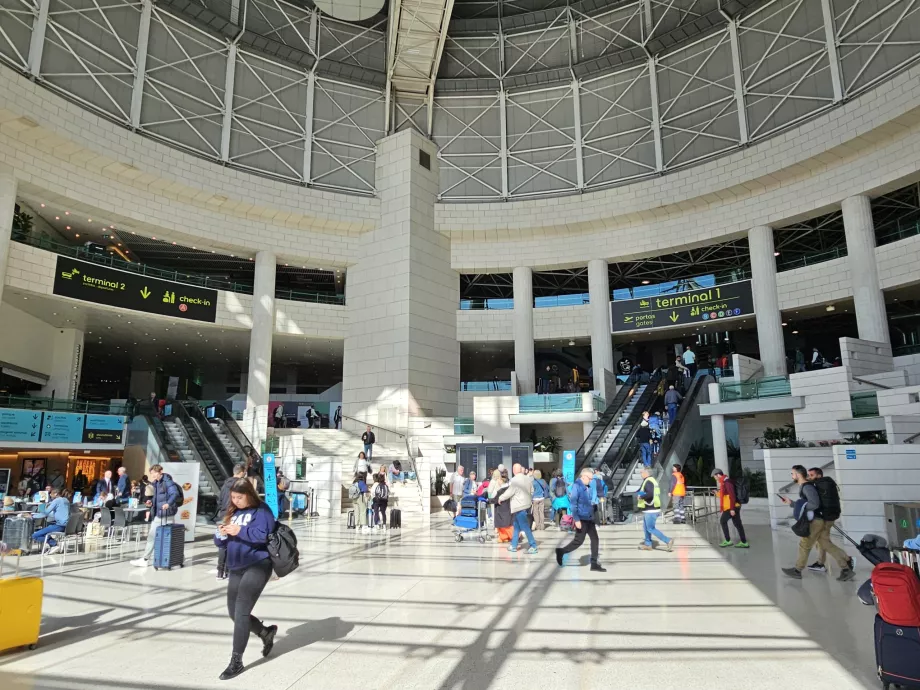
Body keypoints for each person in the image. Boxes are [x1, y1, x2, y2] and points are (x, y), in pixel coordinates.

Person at [214, 479, 278, 680]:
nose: (236, 501)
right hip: (236, 566)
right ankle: (265, 632)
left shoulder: (262, 511)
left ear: (249, 494)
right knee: (234, 614)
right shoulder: (233, 512)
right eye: (233, 497)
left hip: (258, 565)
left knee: (241, 611)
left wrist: (240, 530)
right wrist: (221, 534)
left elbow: (263, 535)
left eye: (240, 497)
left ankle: (236, 661)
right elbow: (220, 542)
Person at [781, 465, 855, 581]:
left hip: (815, 521)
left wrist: (801, 506)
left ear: (798, 474)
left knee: (805, 544)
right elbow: (807, 504)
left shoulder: (807, 487)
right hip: (818, 520)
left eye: (792, 473)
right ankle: (846, 566)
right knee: (825, 544)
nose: (792, 475)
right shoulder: (806, 486)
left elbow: (814, 504)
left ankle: (797, 570)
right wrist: (792, 503)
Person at [803, 467, 855, 574]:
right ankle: (820, 563)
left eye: (811, 475)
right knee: (822, 540)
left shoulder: (821, 485)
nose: (809, 477)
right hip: (831, 515)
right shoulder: (826, 482)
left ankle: (847, 559)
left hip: (826, 518)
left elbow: (819, 503)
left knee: (824, 542)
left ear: (819, 475)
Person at [129, 465, 182, 568]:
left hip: (165, 513)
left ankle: (145, 559)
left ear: (160, 472)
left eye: (154, 472)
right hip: (161, 513)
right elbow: (158, 498)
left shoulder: (167, 482)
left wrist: (168, 504)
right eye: (151, 473)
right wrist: (151, 502)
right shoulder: (157, 483)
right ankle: (179, 557)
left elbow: (174, 494)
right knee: (170, 537)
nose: (152, 475)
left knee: (153, 536)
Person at [556, 468, 606, 571]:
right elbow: (573, 504)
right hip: (581, 518)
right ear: (583, 477)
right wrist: (577, 519)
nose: (591, 481)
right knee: (578, 541)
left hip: (589, 517)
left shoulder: (587, 486)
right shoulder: (576, 486)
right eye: (590, 478)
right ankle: (561, 551)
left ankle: (594, 563)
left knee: (595, 539)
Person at [499, 464, 537, 554]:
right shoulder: (528, 479)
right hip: (526, 505)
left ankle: (533, 545)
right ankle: (514, 545)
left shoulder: (514, 480)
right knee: (516, 527)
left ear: (513, 470)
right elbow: (532, 491)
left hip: (518, 506)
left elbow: (510, 492)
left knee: (525, 527)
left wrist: (501, 498)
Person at [637, 468, 674, 551]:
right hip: (650, 508)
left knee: (650, 528)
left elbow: (650, 493)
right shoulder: (650, 480)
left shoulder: (649, 481)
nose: (640, 473)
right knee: (646, 527)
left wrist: (641, 496)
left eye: (642, 471)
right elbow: (643, 491)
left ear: (646, 473)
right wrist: (639, 493)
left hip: (651, 509)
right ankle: (648, 544)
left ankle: (668, 540)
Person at [712, 469, 749, 548]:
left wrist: (732, 509)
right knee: (737, 524)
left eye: (714, 476)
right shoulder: (724, 482)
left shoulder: (727, 482)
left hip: (731, 507)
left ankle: (728, 541)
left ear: (718, 475)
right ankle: (744, 542)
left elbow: (732, 496)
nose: (714, 478)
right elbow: (725, 495)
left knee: (723, 521)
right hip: (734, 505)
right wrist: (716, 493)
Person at [33, 489, 71, 554]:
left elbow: (46, 513)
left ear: (56, 494)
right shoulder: (66, 500)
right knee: (45, 531)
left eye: (51, 493)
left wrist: (33, 516)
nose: (50, 495)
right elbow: (55, 513)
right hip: (67, 526)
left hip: (59, 525)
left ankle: (54, 544)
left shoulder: (56, 501)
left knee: (35, 535)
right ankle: (53, 545)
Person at [489, 473, 513, 542]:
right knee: (508, 524)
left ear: (501, 481)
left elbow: (495, 499)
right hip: (508, 509)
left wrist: (488, 500)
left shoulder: (500, 491)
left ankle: (504, 537)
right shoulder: (509, 489)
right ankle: (508, 536)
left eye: (498, 480)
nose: (497, 481)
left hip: (500, 510)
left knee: (502, 525)